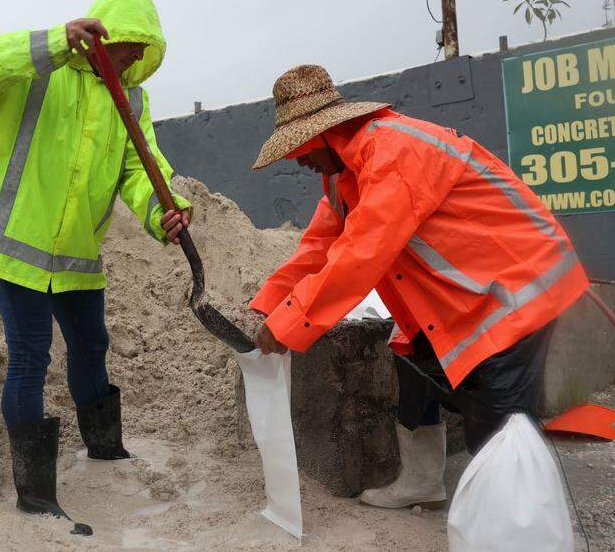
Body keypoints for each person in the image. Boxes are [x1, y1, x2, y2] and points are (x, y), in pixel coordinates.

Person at [248, 64, 589, 510]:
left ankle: (517, 521)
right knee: (414, 366)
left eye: (301, 148)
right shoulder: (343, 176)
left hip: (510, 290)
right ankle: (423, 482)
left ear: (327, 133)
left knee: (497, 425)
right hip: (459, 295)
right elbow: (317, 250)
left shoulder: (394, 151)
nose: (298, 160)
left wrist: (290, 324)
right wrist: (267, 306)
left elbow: (360, 255)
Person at [0, 0, 192, 533]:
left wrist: (165, 211)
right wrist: (54, 42)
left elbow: (142, 167)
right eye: (127, 47)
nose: (133, 59)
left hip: (78, 250)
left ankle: (105, 452)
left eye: (142, 53)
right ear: (103, 35)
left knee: (91, 345)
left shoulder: (130, 98)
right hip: (17, 245)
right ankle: (35, 497)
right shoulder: (41, 68)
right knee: (30, 356)